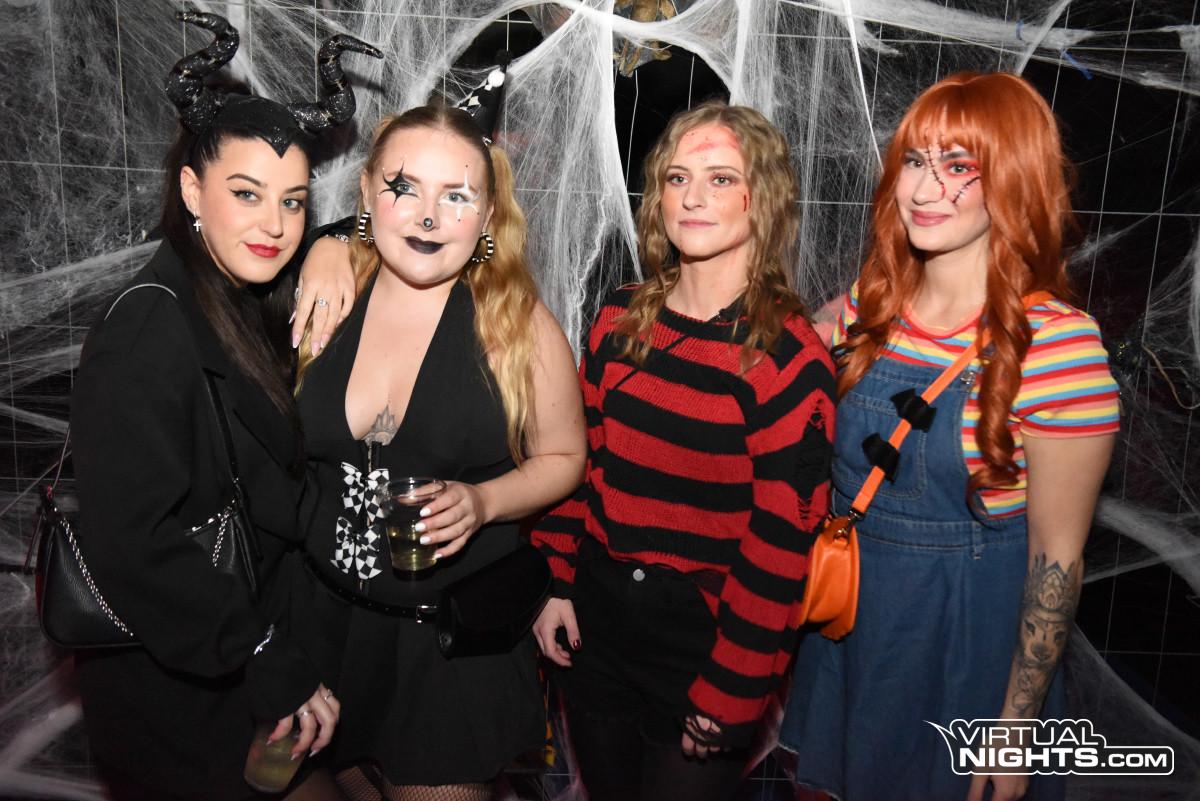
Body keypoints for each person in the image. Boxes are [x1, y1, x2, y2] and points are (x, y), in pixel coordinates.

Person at [779, 72, 1120, 801]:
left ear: (1013, 181)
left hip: (964, 656)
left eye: (959, 166)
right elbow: (773, 378)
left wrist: (1016, 728)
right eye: (915, 161)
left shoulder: (1059, 347)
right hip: (851, 633)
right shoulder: (867, 309)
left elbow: (1057, 560)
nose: (926, 189)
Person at [69, 12, 378, 800]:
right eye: (247, 194)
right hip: (188, 693)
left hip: (248, 671)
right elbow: (133, 542)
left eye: (294, 201)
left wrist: (337, 240)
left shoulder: (237, 295)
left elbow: (413, 234)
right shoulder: (147, 326)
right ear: (191, 190)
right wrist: (261, 651)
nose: (275, 224)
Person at [529, 101, 837, 801]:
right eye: (677, 178)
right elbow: (579, 464)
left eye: (721, 179)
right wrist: (556, 582)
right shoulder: (619, 317)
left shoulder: (788, 360)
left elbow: (781, 545)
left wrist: (734, 687)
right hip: (599, 622)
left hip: (705, 638)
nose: (693, 197)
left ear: (765, 198)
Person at [292, 103, 586, 801]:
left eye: (456, 196)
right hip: (322, 633)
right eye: (403, 188)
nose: (427, 217)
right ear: (367, 193)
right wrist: (325, 245)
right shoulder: (328, 295)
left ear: (487, 218)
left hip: (446, 653)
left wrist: (485, 501)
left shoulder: (516, 325)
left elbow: (565, 456)